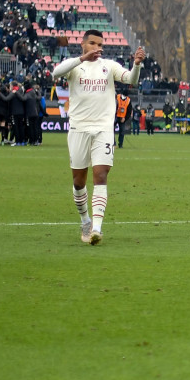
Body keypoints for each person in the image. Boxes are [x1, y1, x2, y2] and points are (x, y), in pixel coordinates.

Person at [52, 31, 146, 245]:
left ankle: (96, 228)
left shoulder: (109, 66)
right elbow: (55, 74)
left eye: (100, 44)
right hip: (78, 128)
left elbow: (131, 80)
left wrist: (137, 65)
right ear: (83, 44)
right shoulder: (75, 65)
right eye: (92, 43)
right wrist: (82, 59)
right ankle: (85, 220)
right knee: (78, 182)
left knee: (101, 175)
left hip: (103, 129)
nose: (96, 47)